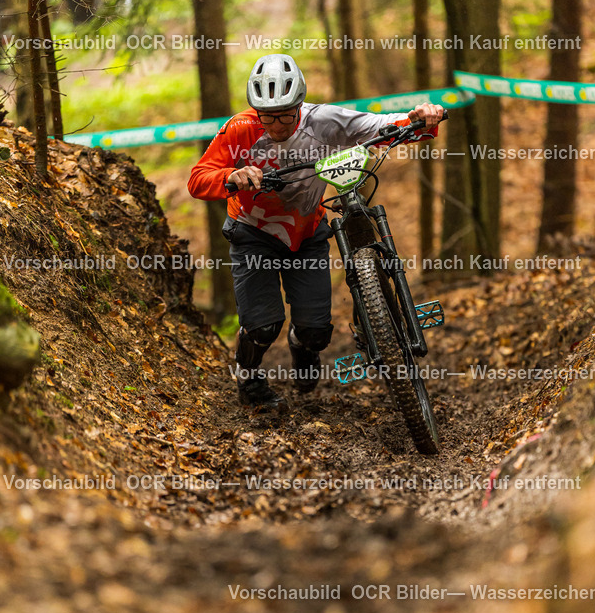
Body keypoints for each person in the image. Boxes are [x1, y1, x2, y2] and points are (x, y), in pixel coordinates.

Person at [188, 54, 444, 408]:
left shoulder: (324, 120)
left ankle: (300, 344)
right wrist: (230, 176)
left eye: (285, 114)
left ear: (299, 104)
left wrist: (419, 119)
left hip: (306, 234)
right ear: (255, 111)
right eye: (268, 116)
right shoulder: (239, 129)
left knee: (316, 332)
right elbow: (198, 179)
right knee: (262, 326)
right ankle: (248, 377)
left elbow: (380, 126)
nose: (276, 124)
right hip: (252, 234)